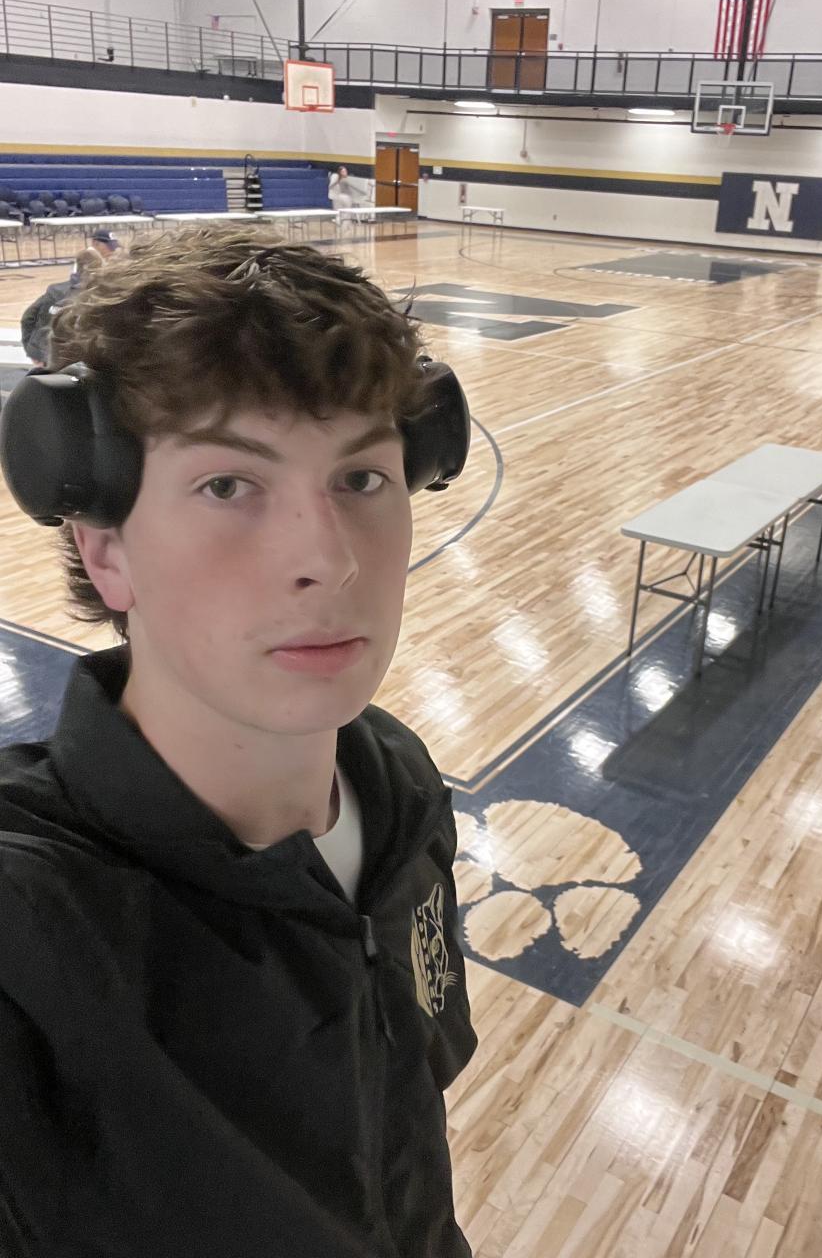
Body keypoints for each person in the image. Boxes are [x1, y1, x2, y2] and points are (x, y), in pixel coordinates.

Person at [0, 227, 476, 1258]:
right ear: (105, 550)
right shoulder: (32, 937)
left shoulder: (402, 788)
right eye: (228, 485)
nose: (328, 560)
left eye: (361, 479)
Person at [19, 245, 103, 367]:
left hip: (47, 356)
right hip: (80, 361)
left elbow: (28, 318)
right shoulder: (101, 295)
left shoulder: (53, 290)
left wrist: (33, 351)